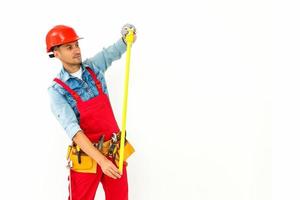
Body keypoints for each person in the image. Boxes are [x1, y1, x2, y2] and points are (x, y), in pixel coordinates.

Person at [46, 24, 136, 200]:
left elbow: (112, 52)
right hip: (85, 158)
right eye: (69, 47)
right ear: (56, 53)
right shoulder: (57, 91)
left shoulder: (93, 68)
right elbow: (74, 131)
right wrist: (101, 161)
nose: (76, 50)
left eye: (77, 45)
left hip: (113, 151)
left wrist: (127, 38)